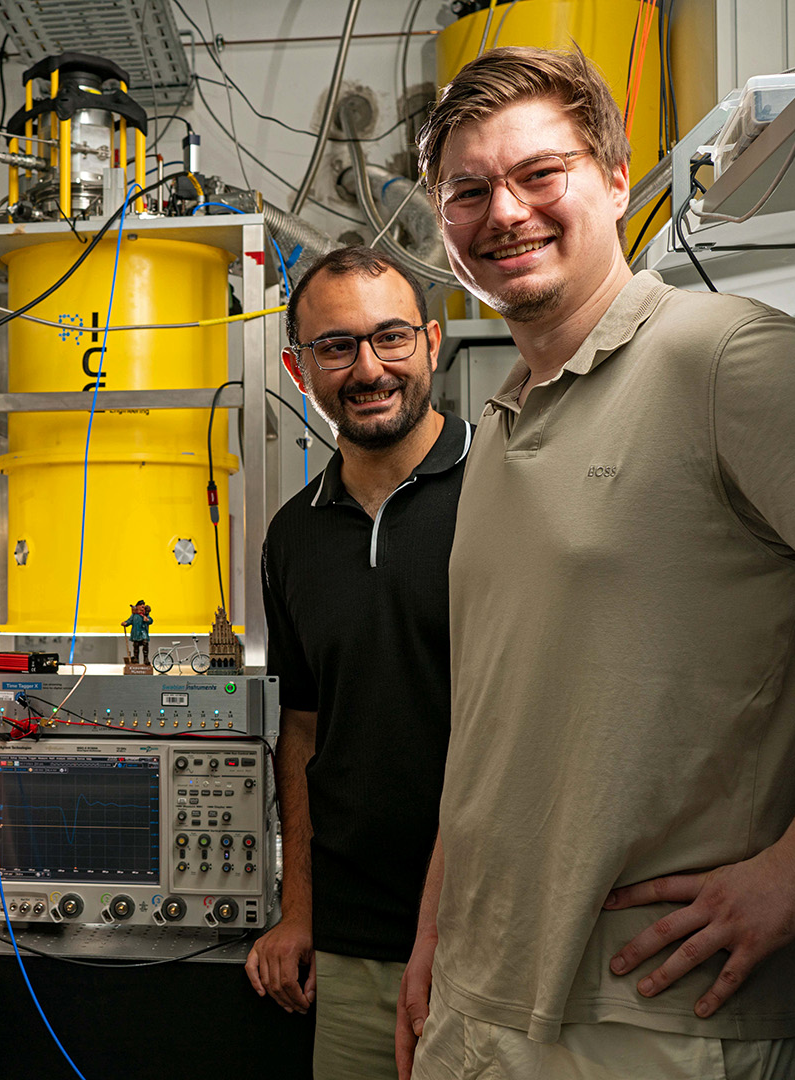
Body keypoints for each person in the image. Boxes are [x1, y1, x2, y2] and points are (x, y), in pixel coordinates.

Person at [396, 46, 795, 1080]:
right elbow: (498, 720)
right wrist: (436, 938)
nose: (505, 213)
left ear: (618, 180)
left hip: (654, 1020)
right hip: (479, 1006)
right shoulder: (496, 425)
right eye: (469, 191)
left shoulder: (725, 358)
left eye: (542, 175)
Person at [249, 245, 471, 1079]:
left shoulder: (507, 488)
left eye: (391, 338)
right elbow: (302, 730)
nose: (368, 367)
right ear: (297, 367)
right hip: (352, 949)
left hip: (497, 942)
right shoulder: (294, 534)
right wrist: (296, 910)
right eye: (336, 346)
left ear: (434, 341)